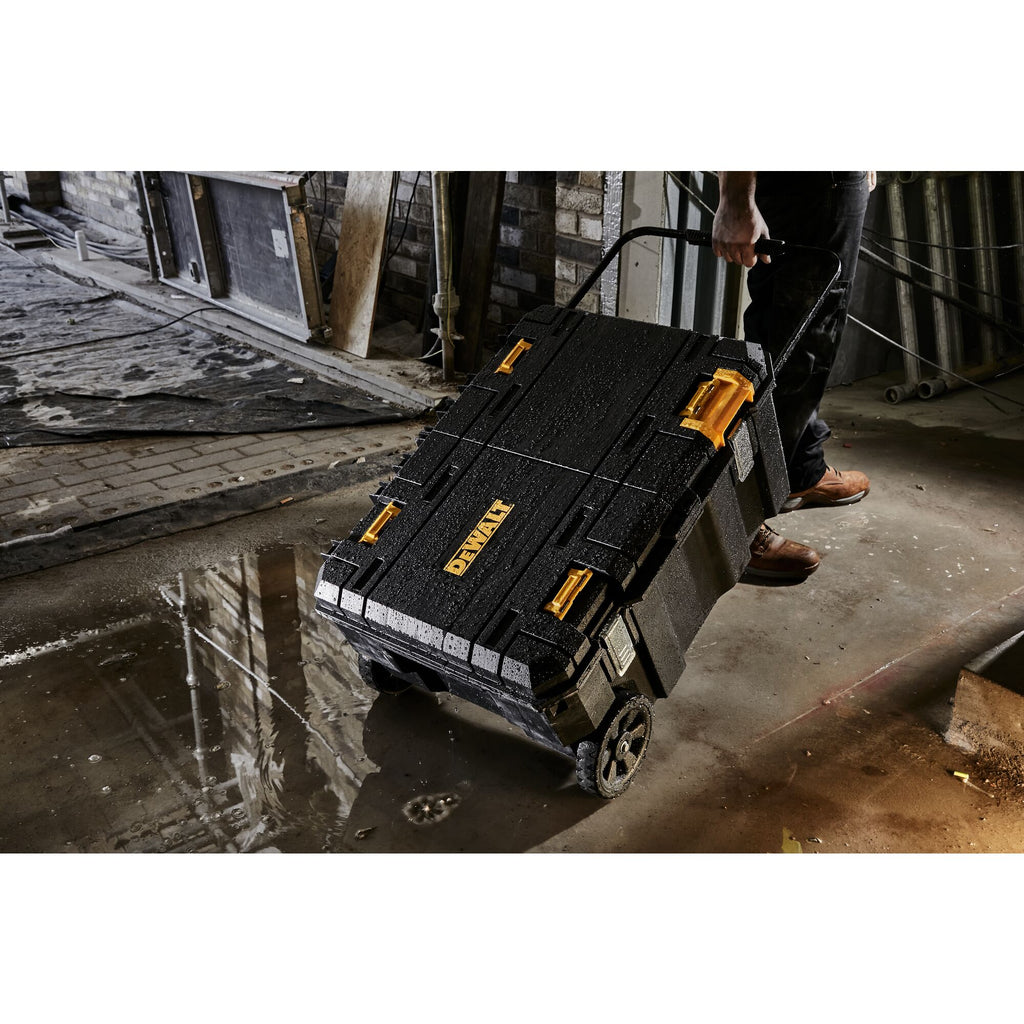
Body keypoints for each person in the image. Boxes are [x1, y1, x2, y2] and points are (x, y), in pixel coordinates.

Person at [712, 170, 875, 580]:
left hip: (834, 177)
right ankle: (737, 522)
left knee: (814, 331)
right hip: (805, 181)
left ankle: (800, 469)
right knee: (791, 346)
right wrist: (735, 199)